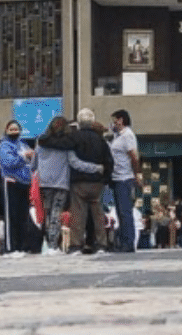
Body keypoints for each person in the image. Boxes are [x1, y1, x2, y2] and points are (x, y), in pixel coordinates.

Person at [66, 108, 112, 255]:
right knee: (98, 214)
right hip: (97, 183)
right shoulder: (101, 140)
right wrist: (105, 178)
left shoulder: (73, 138)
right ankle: (101, 244)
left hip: (78, 182)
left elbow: (70, 160)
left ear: (79, 122)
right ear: (93, 122)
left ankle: (75, 245)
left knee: (78, 214)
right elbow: (109, 162)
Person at [34, 116, 75, 255]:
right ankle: (52, 245)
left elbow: (34, 162)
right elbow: (73, 162)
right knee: (56, 214)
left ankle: (46, 243)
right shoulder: (67, 144)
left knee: (47, 212)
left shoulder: (40, 142)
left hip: (44, 182)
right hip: (61, 182)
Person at [0, 119, 35, 254]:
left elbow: (33, 159)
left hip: (25, 184)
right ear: (6, 131)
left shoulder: (23, 144)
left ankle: (22, 246)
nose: (14, 131)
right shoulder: (3, 146)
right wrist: (24, 157)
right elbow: (8, 162)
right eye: (11, 129)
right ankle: (10, 248)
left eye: (16, 129)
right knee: (11, 216)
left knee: (23, 216)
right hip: (11, 183)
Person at [109, 109, 141, 253]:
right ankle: (123, 240)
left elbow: (134, 156)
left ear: (121, 120)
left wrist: (137, 174)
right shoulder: (118, 136)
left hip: (124, 177)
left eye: (115, 120)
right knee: (121, 211)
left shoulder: (128, 135)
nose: (113, 123)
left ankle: (128, 242)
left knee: (125, 211)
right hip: (117, 177)